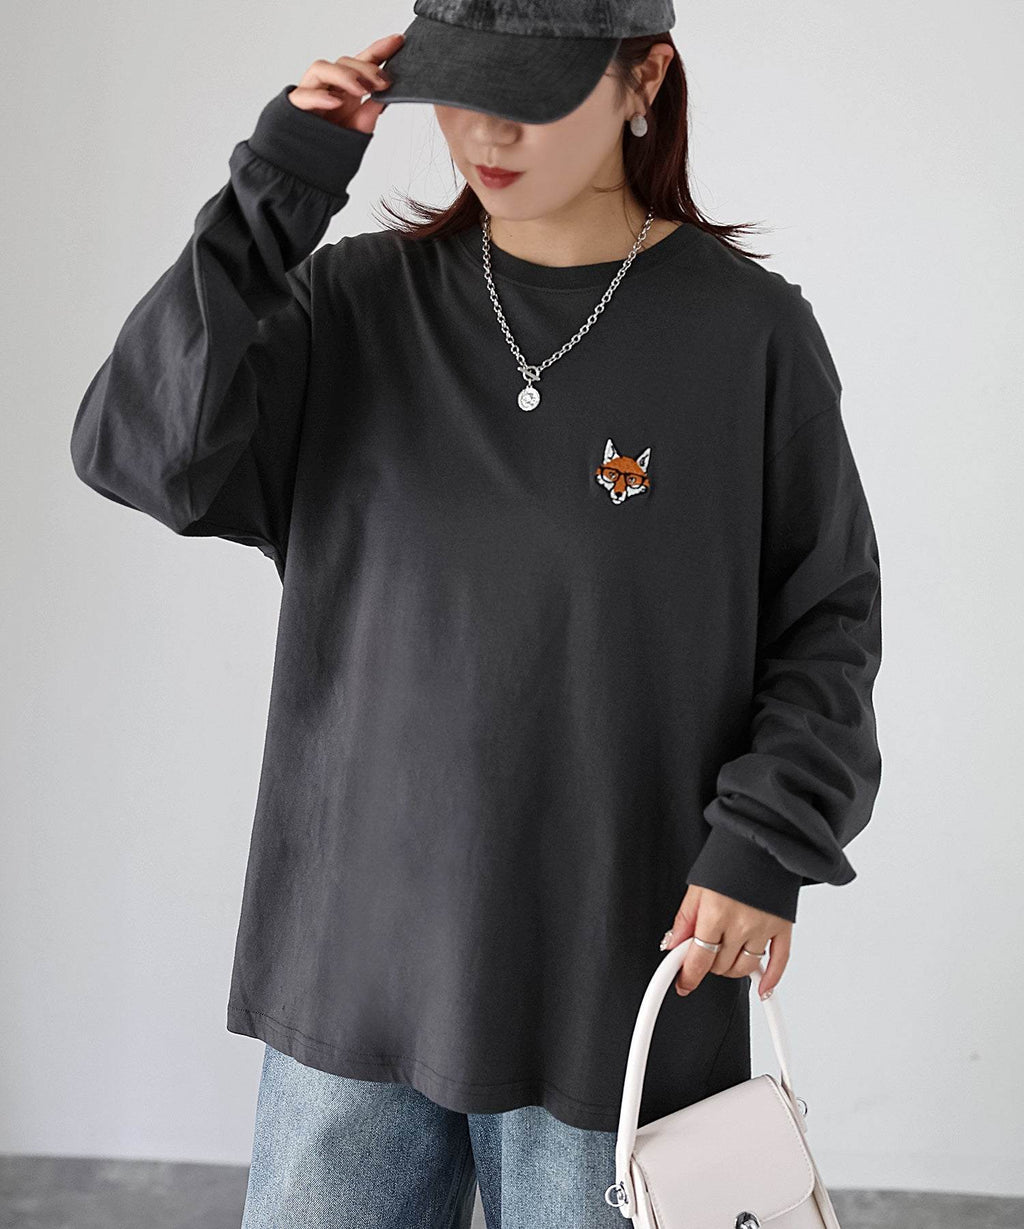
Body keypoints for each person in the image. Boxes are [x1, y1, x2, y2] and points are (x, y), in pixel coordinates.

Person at [69, 2, 883, 1225]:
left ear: (644, 79)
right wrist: (277, 190)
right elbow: (141, 448)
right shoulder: (352, 306)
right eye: (458, 88)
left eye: (529, 96)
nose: (485, 133)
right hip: (353, 960)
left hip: (616, 958)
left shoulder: (745, 334)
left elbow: (827, 618)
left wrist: (766, 842)